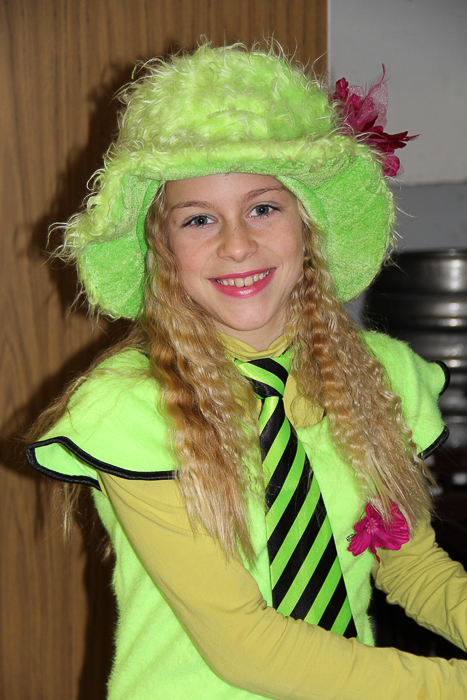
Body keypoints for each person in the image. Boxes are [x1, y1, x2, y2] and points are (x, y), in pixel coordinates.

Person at [26, 44, 467, 699]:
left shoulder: (381, 378)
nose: (237, 244)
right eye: (199, 219)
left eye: (263, 208)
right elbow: (244, 645)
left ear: (306, 225)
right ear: (162, 247)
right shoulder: (131, 410)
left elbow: (410, 565)